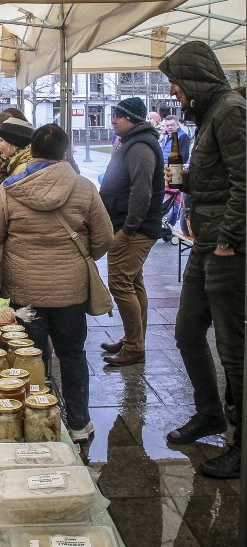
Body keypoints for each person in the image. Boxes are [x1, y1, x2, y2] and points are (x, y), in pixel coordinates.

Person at [0, 124, 113, 443]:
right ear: (64, 152)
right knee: (73, 354)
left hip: (25, 292)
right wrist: (81, 255)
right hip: (71, 291)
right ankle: (79, 423)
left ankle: (33, 422)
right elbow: (105, 237)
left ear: (33, 151)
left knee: (30, 359)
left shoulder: (11, 187)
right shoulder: (83, 186)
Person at [159, 41, 245, 479]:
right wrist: (189, 180)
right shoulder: (210, 114)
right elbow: (218, 180)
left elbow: (245, 181)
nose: (174, 92)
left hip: (228, 249)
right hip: (205, 242)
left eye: (176, 83)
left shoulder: (230, 111)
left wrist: (229, 240)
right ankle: (209, 413)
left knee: (234, 349)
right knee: (187, 330)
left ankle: (240, 443)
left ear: (194, 80)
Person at [98, 97, 165, 366]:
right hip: (127, 224)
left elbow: (142, 190)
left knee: (120, 284)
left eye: (119, 116)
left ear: (133, 119)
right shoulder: (132, 143)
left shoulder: (140, 146)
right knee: (133, 284)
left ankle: (135, 346)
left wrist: (128, 229)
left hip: (134, 229)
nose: (114, 119)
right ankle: (132, 339)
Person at [161, 114, 191, 230]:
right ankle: (167, 222)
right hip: (166, 171)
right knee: (167, 197)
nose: (170, 127)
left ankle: (171, 223)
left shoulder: (182, 136)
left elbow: (183, 156)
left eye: (172, 125)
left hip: (175, 172)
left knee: (174, 199)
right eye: (167, 125)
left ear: (178, 124)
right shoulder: (168, 136)